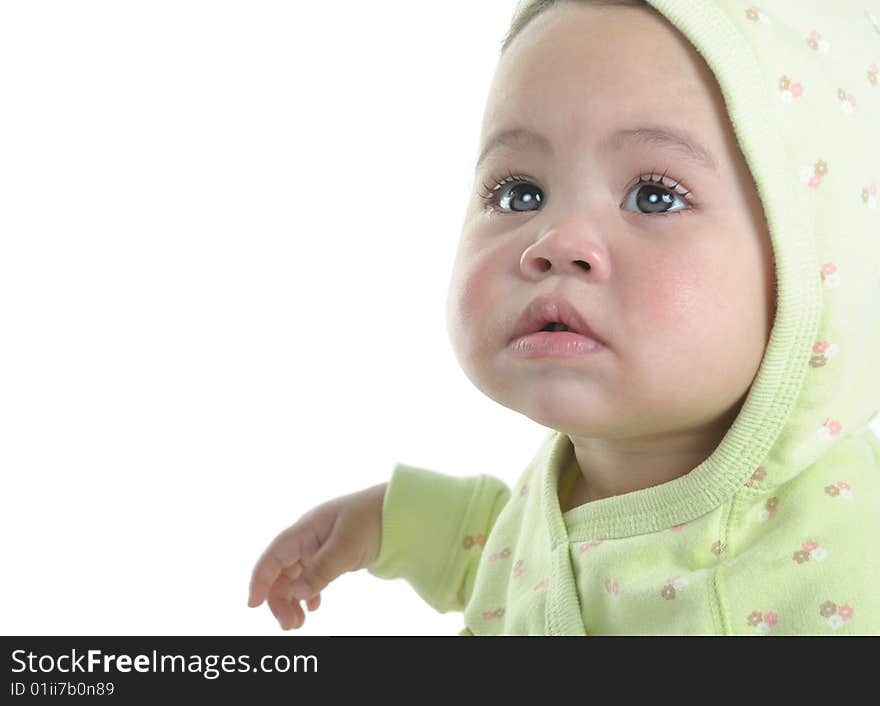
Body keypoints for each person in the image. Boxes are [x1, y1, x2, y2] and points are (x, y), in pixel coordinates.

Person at [247, 0, 880, 635]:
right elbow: (529, 576)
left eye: (654, 196)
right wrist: (392, 522)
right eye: (519, 192)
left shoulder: (844, 570)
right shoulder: (587, 473)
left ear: (814, 260)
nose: (556, 240)